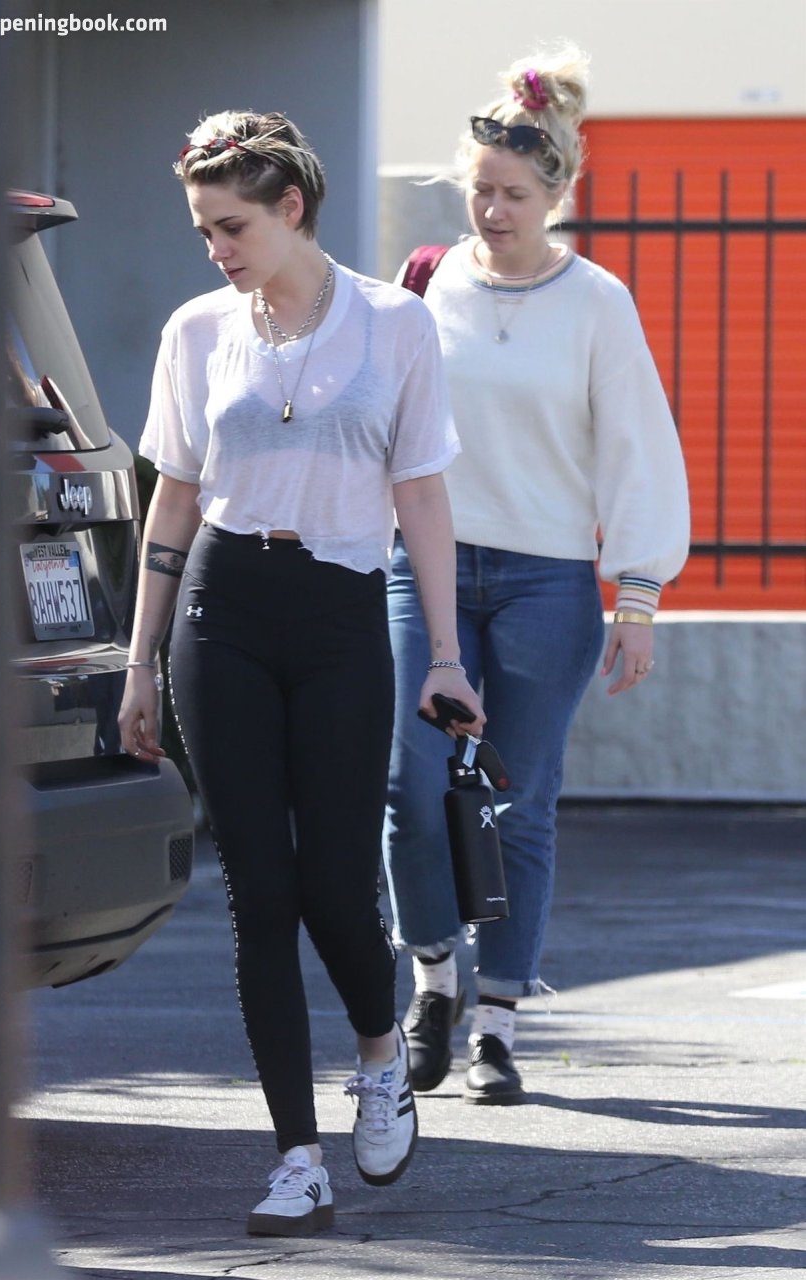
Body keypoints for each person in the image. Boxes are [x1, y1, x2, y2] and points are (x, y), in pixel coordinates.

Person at [117, 110, 484, 1234]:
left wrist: (447, 656)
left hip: (338, 615)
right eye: (202, 229)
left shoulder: (392, 323)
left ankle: (379, 1052)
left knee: (333, 884)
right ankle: (295, 1155)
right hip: (221, 608)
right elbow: (174, 498)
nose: (216, 248)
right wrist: (139, 662)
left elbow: (421, 493)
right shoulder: (196, 330)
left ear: (292, 208)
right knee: (259, 894)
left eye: (231, 226)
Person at [384, 46, 690, 1106]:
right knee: (411, 789)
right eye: (479, 189)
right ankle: (432, 980)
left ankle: (499, 1020)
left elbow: (638, 450)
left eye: (513, 193)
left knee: (518, 803)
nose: (492, 210)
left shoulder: (597, 302)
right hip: (422, 566)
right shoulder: (425, 285)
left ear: (555, 193)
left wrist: (638, 596)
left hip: (547, 581)